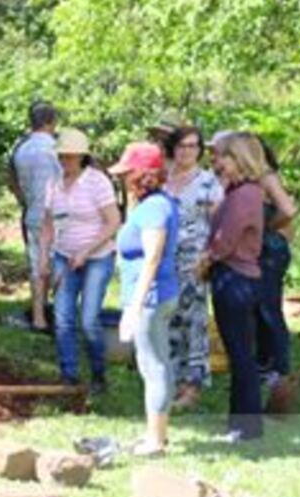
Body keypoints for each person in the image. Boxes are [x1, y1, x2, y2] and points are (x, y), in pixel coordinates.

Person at [110, 142, 180, 457]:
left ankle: (156, 441)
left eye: (127, 173)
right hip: (154, 296)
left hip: (151, 299)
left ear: (142, 175)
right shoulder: (152, 203)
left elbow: (152, 258)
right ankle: (156, 434)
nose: (123, 178)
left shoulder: (154, 208)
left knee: (153, 366)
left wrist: (134, 307)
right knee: (156, 364)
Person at [37, 128, 120, 392]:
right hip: (64, 256)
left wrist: (86, 251)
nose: (65, 161)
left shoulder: (97, 182)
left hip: (98, 256)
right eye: (62, 156)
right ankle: (69, 374)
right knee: (62, 318)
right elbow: (48, 226)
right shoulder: (54, 184)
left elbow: (113, 221)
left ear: (82, 157)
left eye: (70, 156)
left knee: (88, 320)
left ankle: (98, 373)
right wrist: (43, 258)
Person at [197, 132, 267, 442]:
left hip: (234, 279)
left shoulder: (246, 194)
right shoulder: (241, 192)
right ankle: (240, 424)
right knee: (240, 354)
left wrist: (205, 260)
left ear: (239, 159)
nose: (217, 162)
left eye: (223, 157)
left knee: (240, 356)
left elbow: (226, 239)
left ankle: (245, 427)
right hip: (234, 277)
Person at [164, 126, 224, 409]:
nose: (186, 151)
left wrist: (208, 259)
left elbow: (219, 227)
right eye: (181, 145)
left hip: (195, 262)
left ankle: (192, 387)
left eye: (192, 146)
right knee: (168, 322)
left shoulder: (209, 183)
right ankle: (171, 382)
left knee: (194, 324)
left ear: (200, 150)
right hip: (163, 262)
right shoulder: (164, 178)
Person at [11, 101, 61, 331]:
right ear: (51, 122)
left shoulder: (20, 148)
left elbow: (11, 179)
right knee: (59, 264)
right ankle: (61, 314)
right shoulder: (57, 148)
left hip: (32, 211)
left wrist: (25, 200)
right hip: (59, 215)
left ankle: (38, 316)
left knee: (36, 266)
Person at [254, 136, 297, 388]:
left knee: (269, 309)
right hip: (260, 250)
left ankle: (280, 369)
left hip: (272, 250)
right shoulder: (252, 179)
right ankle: (263, 363)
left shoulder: (267, 177)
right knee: (258, 308)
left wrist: (269, 228)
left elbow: (289, 211)